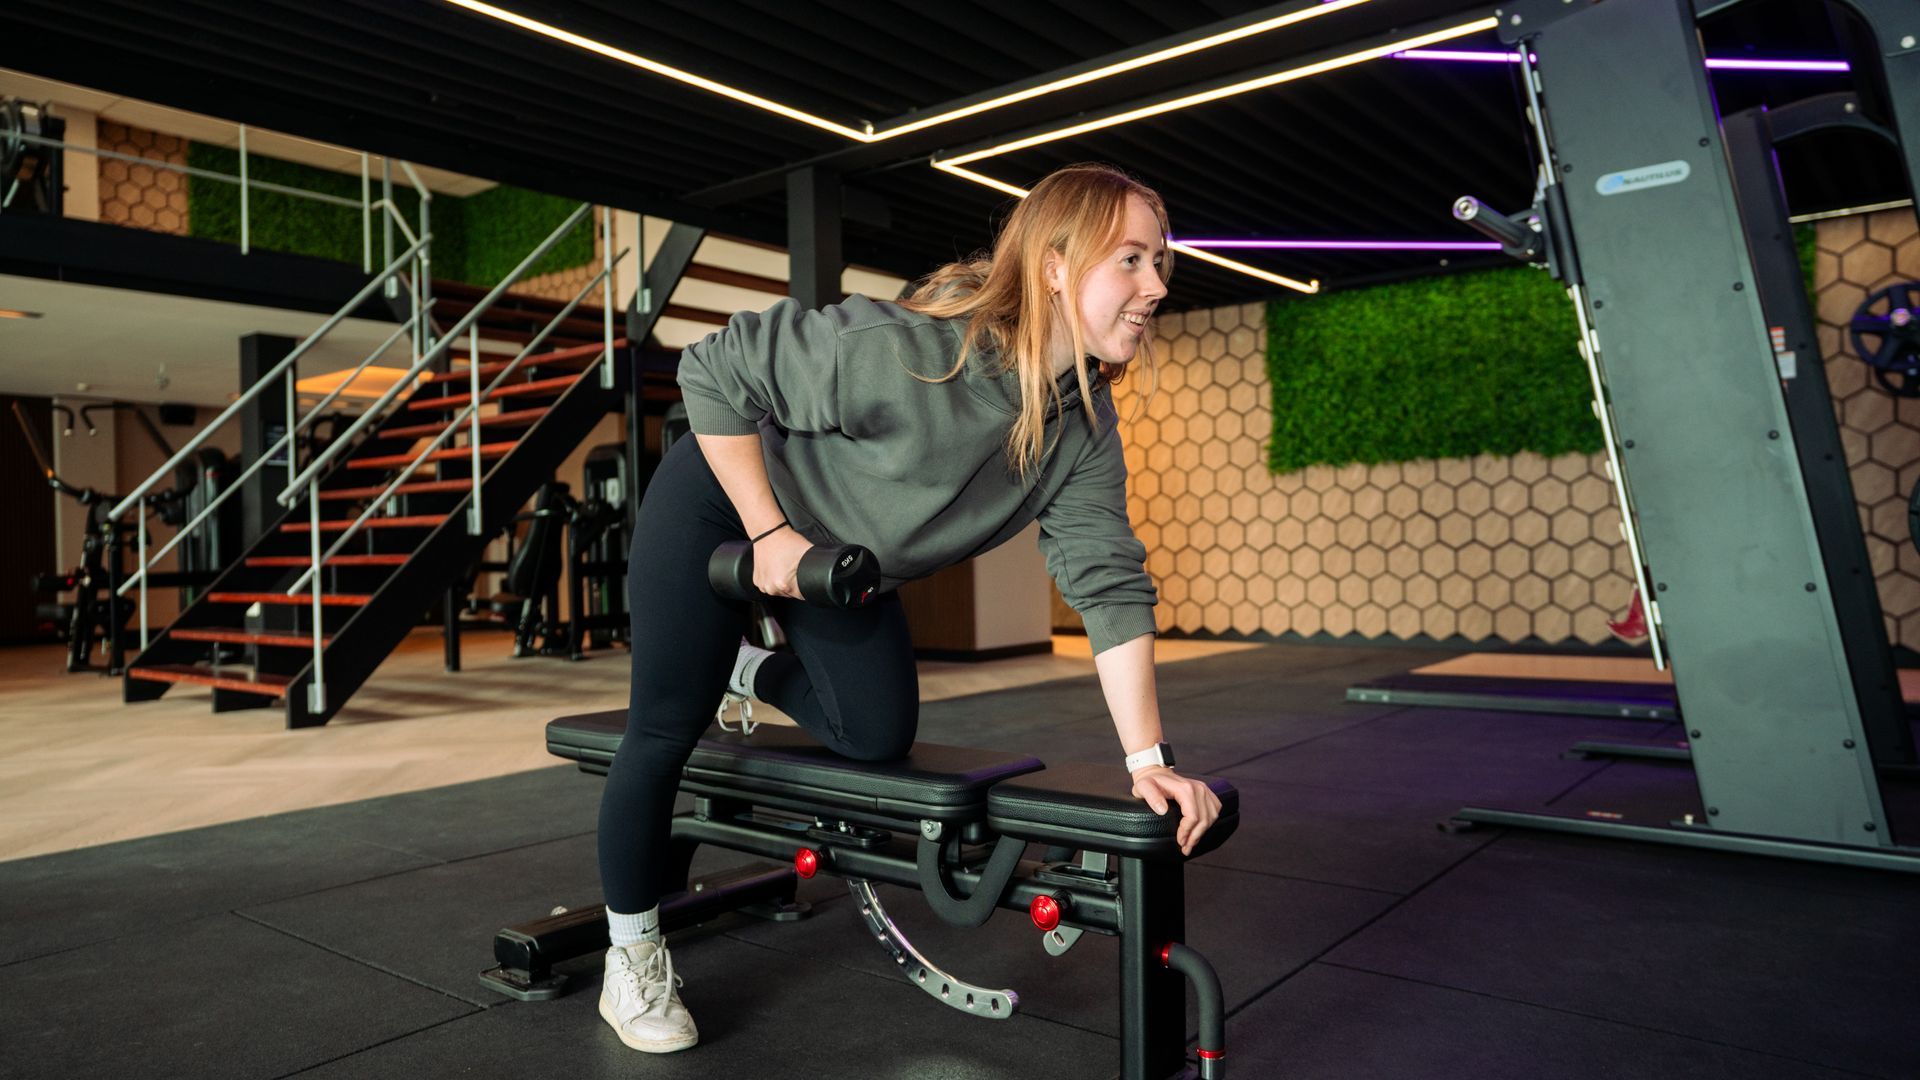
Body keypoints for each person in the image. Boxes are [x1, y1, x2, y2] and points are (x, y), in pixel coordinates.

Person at [595, 162, 1224, 1054]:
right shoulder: (911, 352)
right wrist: (770, 535)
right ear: (1055, 265)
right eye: (1131, 260)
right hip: (719, 502)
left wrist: (1148, 759)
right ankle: (633, 955)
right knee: (664, 725)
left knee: (876, 734)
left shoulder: (1079, 424)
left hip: (839, 561)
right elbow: (715, 369)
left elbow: (1106, 579)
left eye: (1159, 261)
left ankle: (752, 665)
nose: (1157, 284)